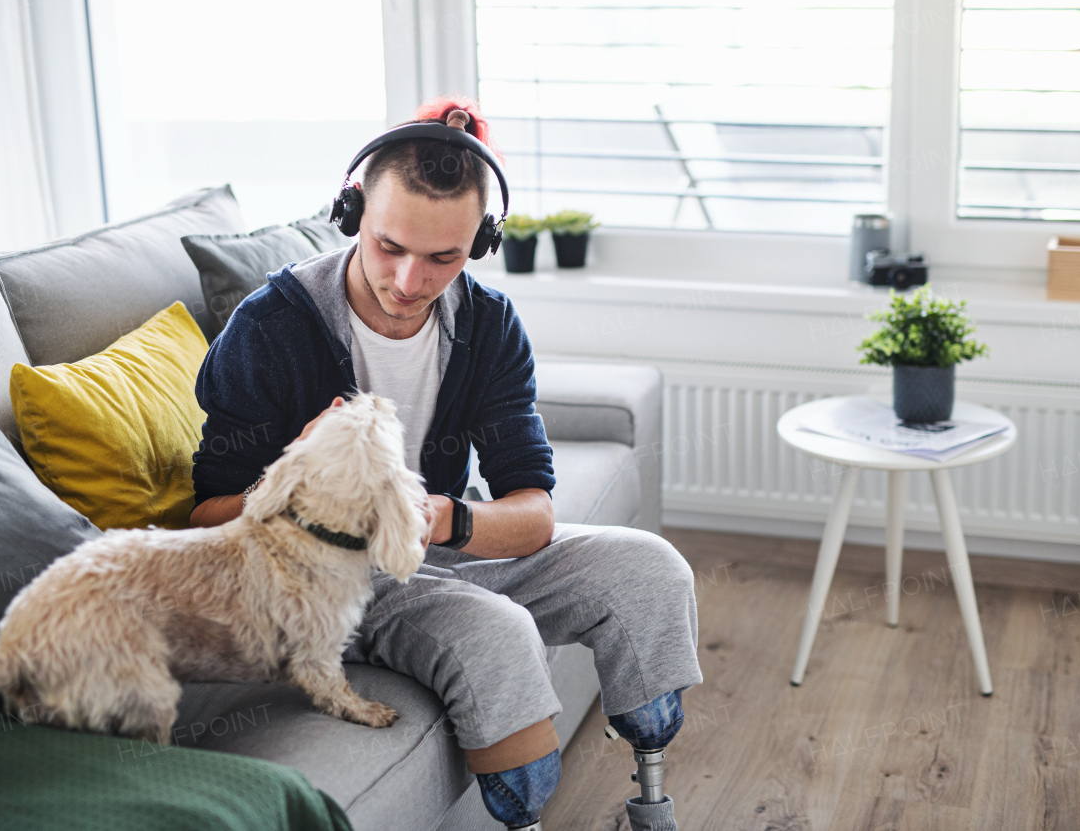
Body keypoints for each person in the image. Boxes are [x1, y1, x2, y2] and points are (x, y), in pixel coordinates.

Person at [189, 97, 701, 831]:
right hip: (318, 577)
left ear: (481, 242)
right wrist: (297, 477)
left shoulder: (487, 326)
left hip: (433, 544)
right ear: (353, 212)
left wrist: (444, 518)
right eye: (389, 246)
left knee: (650, 570)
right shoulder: (270, 329)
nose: (407, 282)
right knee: (495, 632)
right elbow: (204, 521)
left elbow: (533, 514)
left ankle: (649, 801)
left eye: (442, 258)